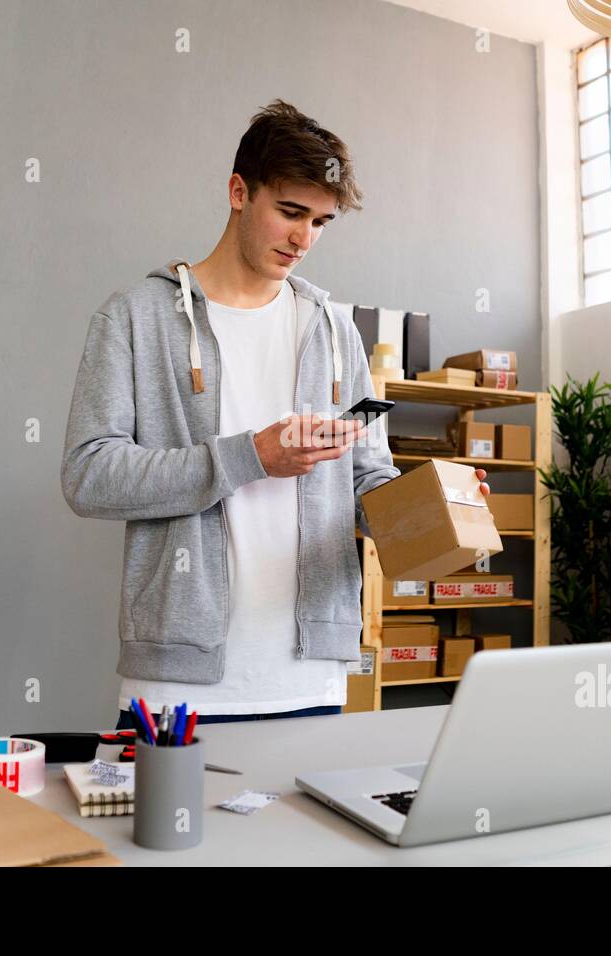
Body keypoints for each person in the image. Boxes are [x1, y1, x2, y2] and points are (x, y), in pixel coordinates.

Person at [62, 100, 489, 728]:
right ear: (239, 192)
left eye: (321, 222)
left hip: (312, 675)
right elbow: (88, 477)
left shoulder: (335, 328)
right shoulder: (135, 317)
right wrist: (251, 456)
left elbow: (367, 477)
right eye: (290, 212)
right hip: (180, 688)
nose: (303, 239)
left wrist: (428, 507)